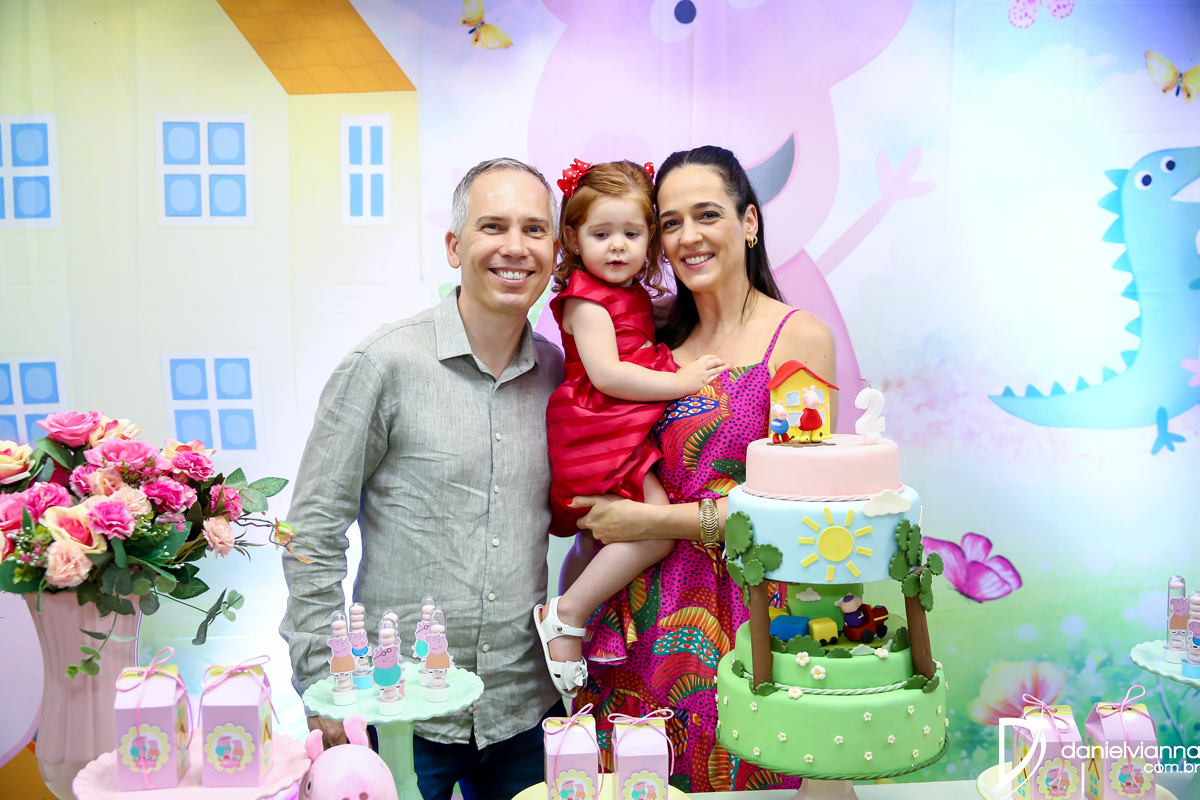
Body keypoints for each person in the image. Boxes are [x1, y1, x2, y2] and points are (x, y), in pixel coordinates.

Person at [280, 158, 566, 800]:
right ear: (454, 246)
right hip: (396, 711)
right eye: (492, 226)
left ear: (554, 250)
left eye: (534, 229)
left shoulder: (561, 377)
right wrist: (324, 682)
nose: (515, 247)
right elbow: (312, 533)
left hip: (524, 711)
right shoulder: (382, 364)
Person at [570, 146, 837, 792]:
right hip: (634, 620)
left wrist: (650, 521)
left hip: (746, 622)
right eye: (670, 222)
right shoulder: (650, 340)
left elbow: (797, 511)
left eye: (707, 214)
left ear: (749, 223)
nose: (688, 236)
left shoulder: (797, 339)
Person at [533, 160, 726, 698]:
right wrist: (682, 381)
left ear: (650, 241)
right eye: (601, 234)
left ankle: (575, 608)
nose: (617, 247)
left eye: (632, 234)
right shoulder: (585, 300)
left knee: (601, 536)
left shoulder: (632, 294)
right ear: (574, 238)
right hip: (598, 427)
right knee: (658, 527)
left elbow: (642, 328)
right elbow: (608, 374)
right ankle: (567, 613)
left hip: (618, 424)